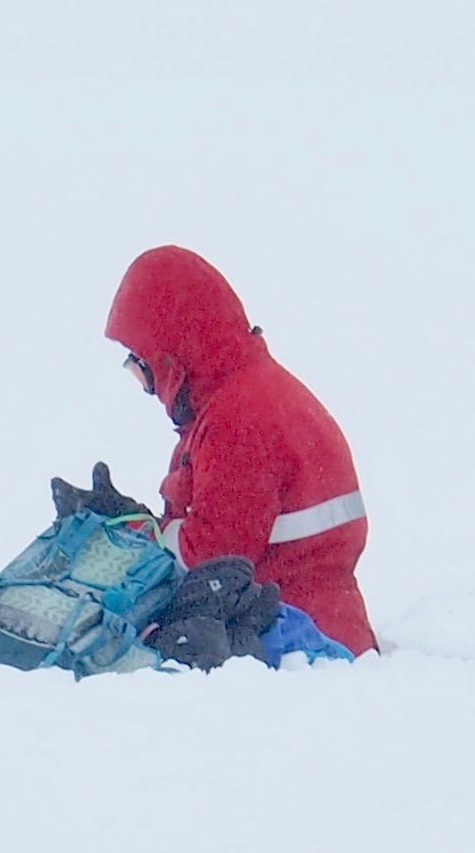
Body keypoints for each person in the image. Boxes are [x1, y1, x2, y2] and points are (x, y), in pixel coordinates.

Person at [98, 245, 376, 655]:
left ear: (172, 360)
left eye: (143, 368)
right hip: (320, 623)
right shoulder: (248, 394)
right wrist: (138, 522)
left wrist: (128, 536)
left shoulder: (239, 419)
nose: (147, 388)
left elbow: (214, 561)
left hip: (297, 642)